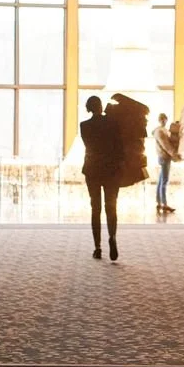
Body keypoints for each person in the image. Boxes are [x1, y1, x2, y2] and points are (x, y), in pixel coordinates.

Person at [80, 95, 120, 261]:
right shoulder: (113, 123)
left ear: (88, 108)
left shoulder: (84, 126)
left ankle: (97, 247)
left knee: (95, 209)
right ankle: (112, 237)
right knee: (111, 206)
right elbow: (119, 146)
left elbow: (89, 145)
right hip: (111, 170)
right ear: (101, 107)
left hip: (92, 169)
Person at [152, 113, 180, 213]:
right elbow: (166, 145)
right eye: (161, 119)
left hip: (163, 157)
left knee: (161, 181)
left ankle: (159, 203)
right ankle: (164, 204)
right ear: (159, 120)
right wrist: (174, 155)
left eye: (164, 119)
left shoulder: (163, 131)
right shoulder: (160, 131)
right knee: (164, 181)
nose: (163, 121)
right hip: (164, 157)